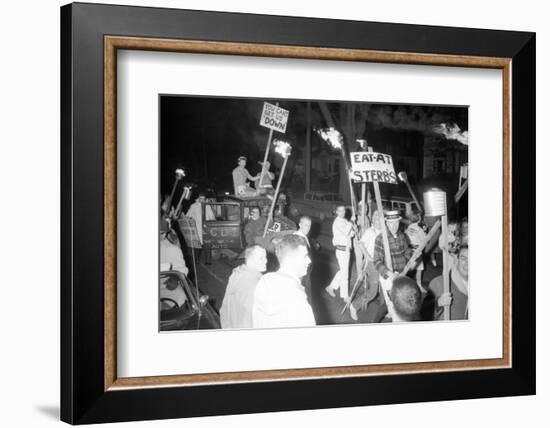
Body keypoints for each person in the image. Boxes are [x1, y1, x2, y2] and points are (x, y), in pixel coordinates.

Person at [253, 234, 315, 328]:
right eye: (305, 256)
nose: (309, 260)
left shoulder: (265, 280)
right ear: (291, 259)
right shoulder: (297, 298)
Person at [373, 210, 415, 310]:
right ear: (386, 222)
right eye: (391, 223)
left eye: (396, 222)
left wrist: (412, 258)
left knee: (401, 302)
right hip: (388, 277)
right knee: (393, 305)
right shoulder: (380, 238)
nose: (394, 226)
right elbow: (377, 261)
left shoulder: (402, 236)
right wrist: (390, 274)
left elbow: (406, 251)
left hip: (402, 274)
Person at [220, 245, 267, 329]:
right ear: (250, 259)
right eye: (261, 258)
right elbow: (251, 315)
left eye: (265, 257)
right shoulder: (256, 284)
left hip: (230, 325)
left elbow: (225, 305)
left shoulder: (237, 274)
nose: (266, 261)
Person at [349, 210, 382, 320]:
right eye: (375, 215)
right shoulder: (370, 231)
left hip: (382, 264)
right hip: (373, 264)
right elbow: (361, 244)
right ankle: (354, 306)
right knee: (373, 292)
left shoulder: (383, 232)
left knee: (382, 289)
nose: (378, 217)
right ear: (372, 218)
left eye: (380, 215)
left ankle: (388, 310)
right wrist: (368, 256)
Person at [429, 244, 469, 320]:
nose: (467, 264)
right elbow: (424, 313)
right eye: (463, 258)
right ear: (457, 260)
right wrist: (438, 303)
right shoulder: (438, 283)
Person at [326, 206, 355, 301]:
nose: (342, 212)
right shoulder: (337, 222)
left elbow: (351, 233)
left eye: (344, 210)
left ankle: (331, 287)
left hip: (347, 249)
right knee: (345, 273)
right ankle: (345, 296)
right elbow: (347, 231)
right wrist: (351, 222)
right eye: (340, 210)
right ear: (337, 212)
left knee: (343, 271)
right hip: (341, 250)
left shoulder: (345, 221)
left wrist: (353, 226)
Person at [185, 193, 215, 264]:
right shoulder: (193, 206)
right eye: (200, 198)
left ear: (205, 199)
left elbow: (212, 217)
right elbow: (188, 216)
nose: (202, 200)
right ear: (198, 198)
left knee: (207, 245)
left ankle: (208, 261)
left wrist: (212, 222)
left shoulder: (207, 206)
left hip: (206, 228)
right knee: (197, 246)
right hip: (197, 229)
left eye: (203, 199)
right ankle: (196, 261)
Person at [405, 210, 428, 289]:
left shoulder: (408, 227)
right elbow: (425, 240)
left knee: (408, 268)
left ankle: (406, 284)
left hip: (409, 250)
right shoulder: (419, 229)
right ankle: (419, 285)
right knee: (419, 269)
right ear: (419, 218)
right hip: (417, 251)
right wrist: (425, 232)